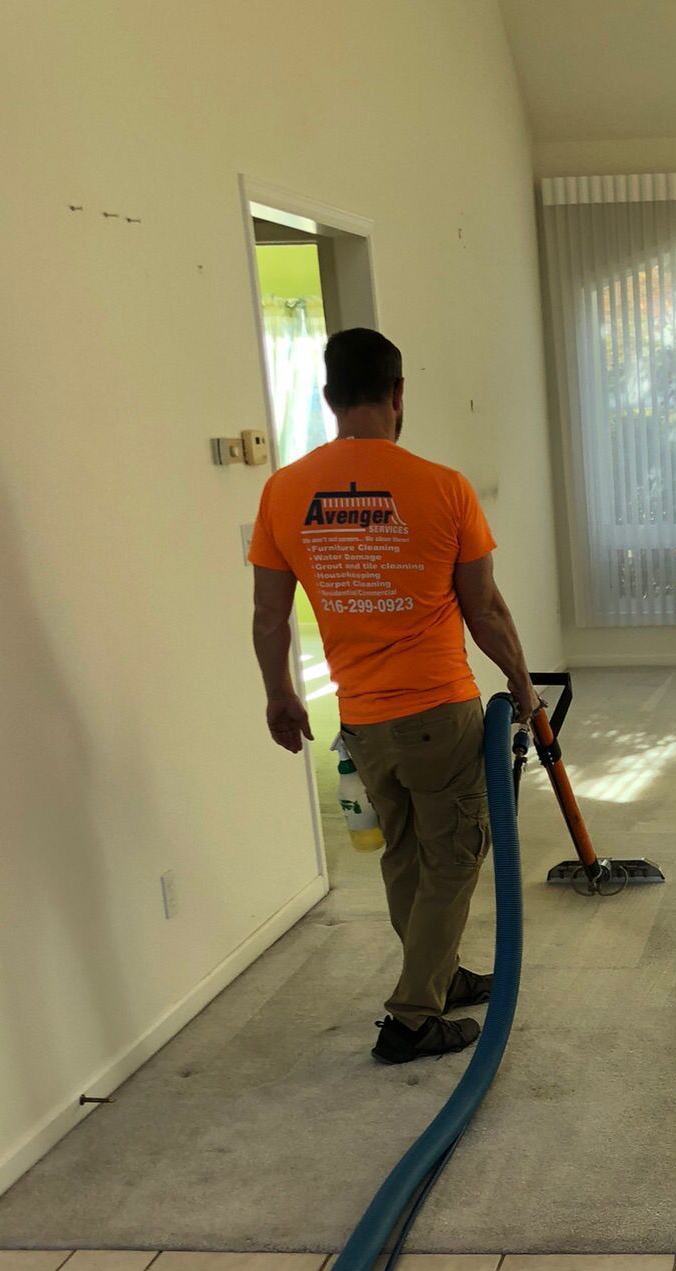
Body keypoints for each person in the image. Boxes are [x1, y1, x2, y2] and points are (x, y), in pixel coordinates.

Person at [249, 327, 541, 1064]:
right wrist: (522, 685)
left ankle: (435, 972)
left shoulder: (284, 491)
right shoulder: (442, 487)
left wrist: (280, 695)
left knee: (404, 855)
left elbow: (268, 615)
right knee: (453, 858)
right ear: (398, 394)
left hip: (361, 720)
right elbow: (486, 610)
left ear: (328, 398)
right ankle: (414, 1017)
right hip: (439, 710)